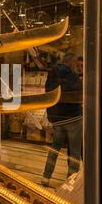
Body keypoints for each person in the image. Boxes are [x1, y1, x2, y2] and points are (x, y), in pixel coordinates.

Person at [42, 53, 83, 187]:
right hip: (73, 117)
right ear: (71, 62)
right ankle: (70, 182)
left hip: (57, 119)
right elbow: (79, 94)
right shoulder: (72, 75)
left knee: (54, 150)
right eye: (76, 64)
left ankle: (45, 178)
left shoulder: (52, 73)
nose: (77, 67)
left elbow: (48, 93)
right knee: (75, 153)